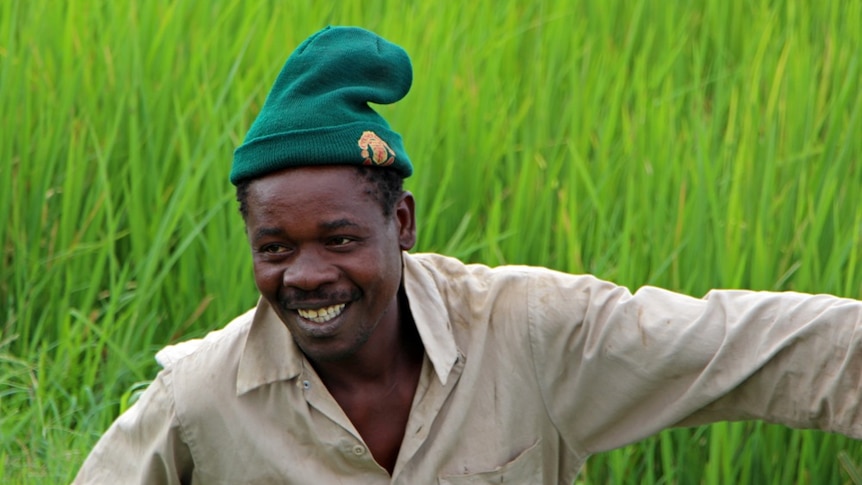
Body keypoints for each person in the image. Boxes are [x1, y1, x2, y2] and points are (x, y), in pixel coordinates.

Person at [73, 26, 862, 484]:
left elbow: (744, 346)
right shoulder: (203, 400)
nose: (307, 274)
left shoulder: (532, 333)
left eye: (340, 239)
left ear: (403, 221)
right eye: (275, 247)